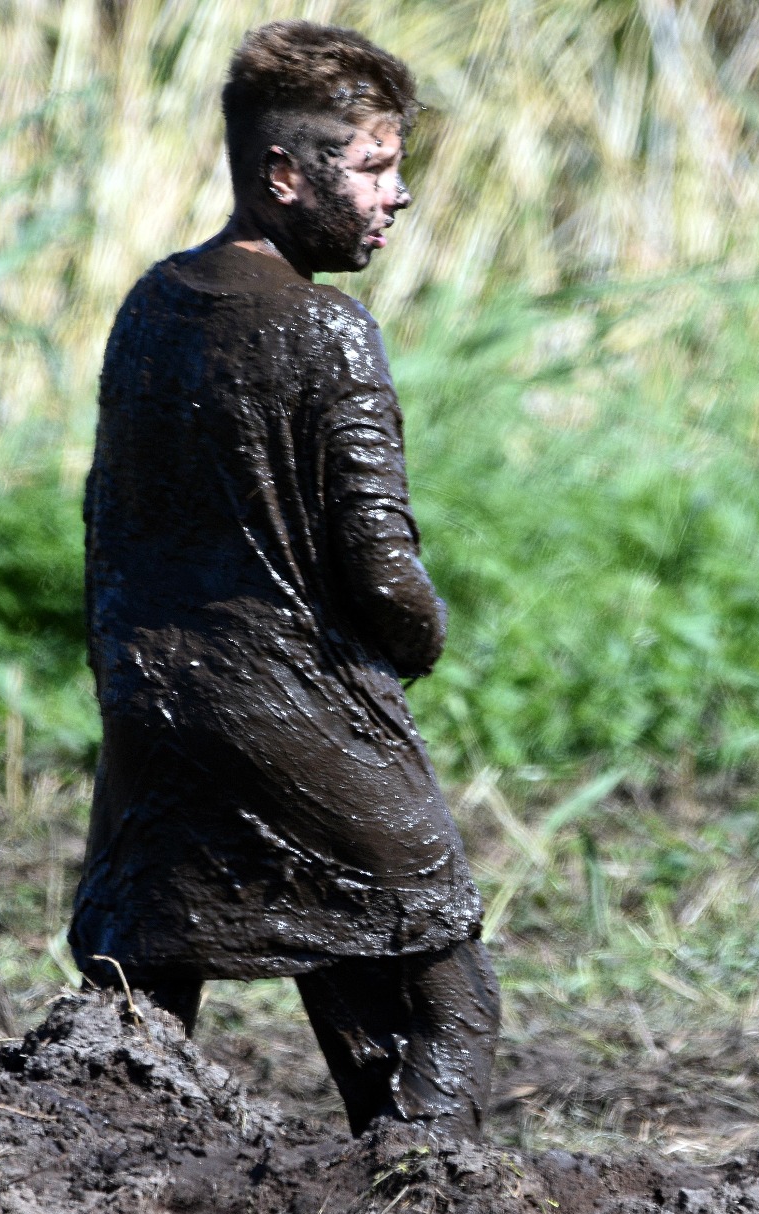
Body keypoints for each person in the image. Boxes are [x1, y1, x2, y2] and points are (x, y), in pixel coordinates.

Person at [70, 21, 496, 1140]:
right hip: (297, 705)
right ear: (283, 175)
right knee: (441, 985)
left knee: (139, 991)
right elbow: (382, 569)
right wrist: (417, 640)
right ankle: (425, 1204)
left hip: (151, 704)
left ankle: (88, 1185)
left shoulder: (151, 305)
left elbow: (106, 517)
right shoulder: (328, 331)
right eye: (372, 167)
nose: (397, 194)